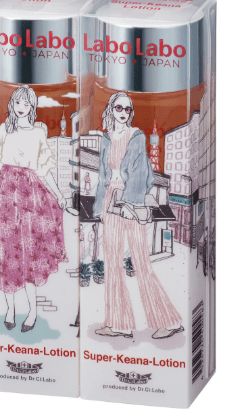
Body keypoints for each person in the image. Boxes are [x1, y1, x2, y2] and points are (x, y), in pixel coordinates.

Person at [93, 91, 183, 339]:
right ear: (111, 109)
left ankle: (169, 321)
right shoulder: (106, 138)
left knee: (141, 261)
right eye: (119, 108)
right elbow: (102, 176)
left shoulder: (137, 136)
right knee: (112, 262)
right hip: (110, 200)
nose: (123, 113)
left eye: (127, 109)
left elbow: (141, 172)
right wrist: (100, 207)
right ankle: (118, 324)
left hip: (130, 202)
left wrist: (129, 203)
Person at [0, 85, 67, 333]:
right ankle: (10, 310)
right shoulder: (4, 130)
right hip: (5, 196)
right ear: (12, 104)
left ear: (32, 107)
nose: (21, 107)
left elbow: (44, 170)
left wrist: (59, 194)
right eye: (17, 102)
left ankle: (33, 312)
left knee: (29, 255)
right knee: (6, 254)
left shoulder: (38, 133)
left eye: (26, 103)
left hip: (30, 197)